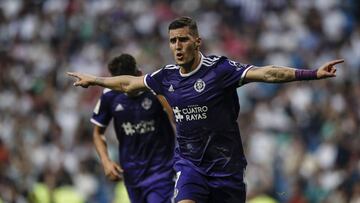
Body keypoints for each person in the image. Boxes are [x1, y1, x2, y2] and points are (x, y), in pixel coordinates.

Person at [67, 16, 344, 203]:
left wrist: (311, 74)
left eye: (183, 40)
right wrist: (96, 80)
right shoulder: (166, 76)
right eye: (173, 41)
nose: (177, 46)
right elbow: (130, 84)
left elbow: (267, 73)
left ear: (197, 42)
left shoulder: (220, 70)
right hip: (190, 165)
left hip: (226, 166)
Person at [90, 54, 175, 203]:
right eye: (119, 84)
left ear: (139, 74)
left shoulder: (154, 89)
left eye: (126, 83)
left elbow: (176, 119)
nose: (124, 86)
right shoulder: (109, 96)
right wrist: (106, 162)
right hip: (132, 174)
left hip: (161, 171)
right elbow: (97, 133)